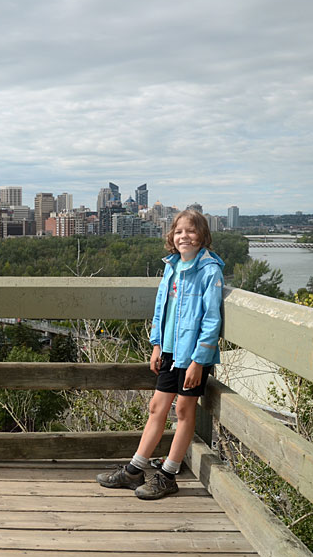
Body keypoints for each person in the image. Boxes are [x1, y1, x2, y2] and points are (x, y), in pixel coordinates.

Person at [96, 209, 224, 499]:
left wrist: (199, 361)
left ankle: (168, 475)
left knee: (184, 411)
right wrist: (156, 345)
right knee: (157, 407)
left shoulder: (209, 270)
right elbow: (160, 309)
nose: (184, 236)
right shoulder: (172, 267)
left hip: (193, 357)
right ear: (171, 237)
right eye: (179, 232)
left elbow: (211, 320)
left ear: (203, 235)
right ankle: (134, 471)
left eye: (191, 231)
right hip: (169, 351)